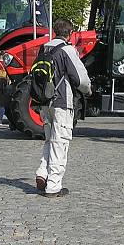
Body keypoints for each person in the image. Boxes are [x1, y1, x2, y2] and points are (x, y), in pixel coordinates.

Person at [34, 18, 91, 198]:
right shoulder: (67, 50)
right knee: (60, 143)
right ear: (69, 33)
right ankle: (53, 186)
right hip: (61, 103)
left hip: (44, 102)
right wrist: (88, 90)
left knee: (49, 140)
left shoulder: (44, 49)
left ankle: (43, 172)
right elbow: (80, 78)